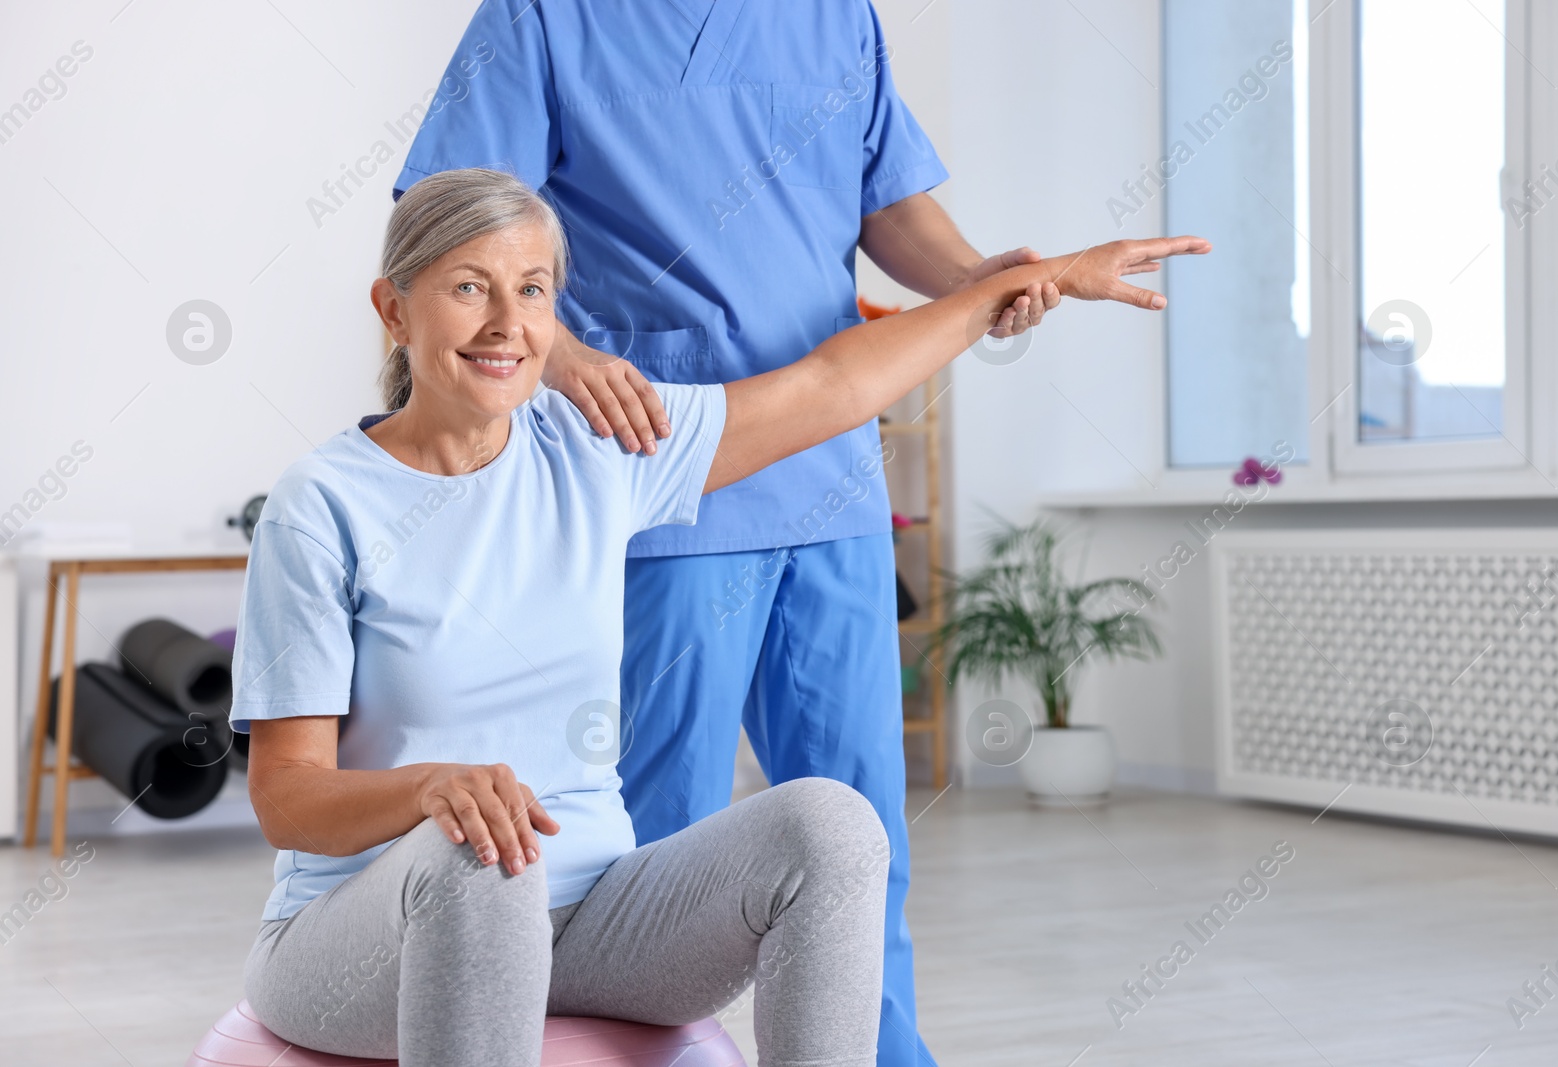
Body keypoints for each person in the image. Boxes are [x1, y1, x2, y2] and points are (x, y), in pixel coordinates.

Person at [231, 166, 1206, 1064]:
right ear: (393, 308)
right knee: (481, 855)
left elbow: (831, 385)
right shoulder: (323, 505)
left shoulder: (593, 450)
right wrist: (429, 789)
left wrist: (1007, 289)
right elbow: (289, 796)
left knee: (830, 824)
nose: (506, 322)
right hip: (365, 939)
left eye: (532, 290)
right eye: (468, 286)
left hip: (594, 920)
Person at [392, 8, 1072, 1062]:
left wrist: (979, 278)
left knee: (860, 833)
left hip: (829, 472)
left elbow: (888, 205)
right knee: (659, 844)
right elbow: (451, 218)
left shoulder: (836, 16)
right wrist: (562, 360)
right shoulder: (544, 17)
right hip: (663, 469)